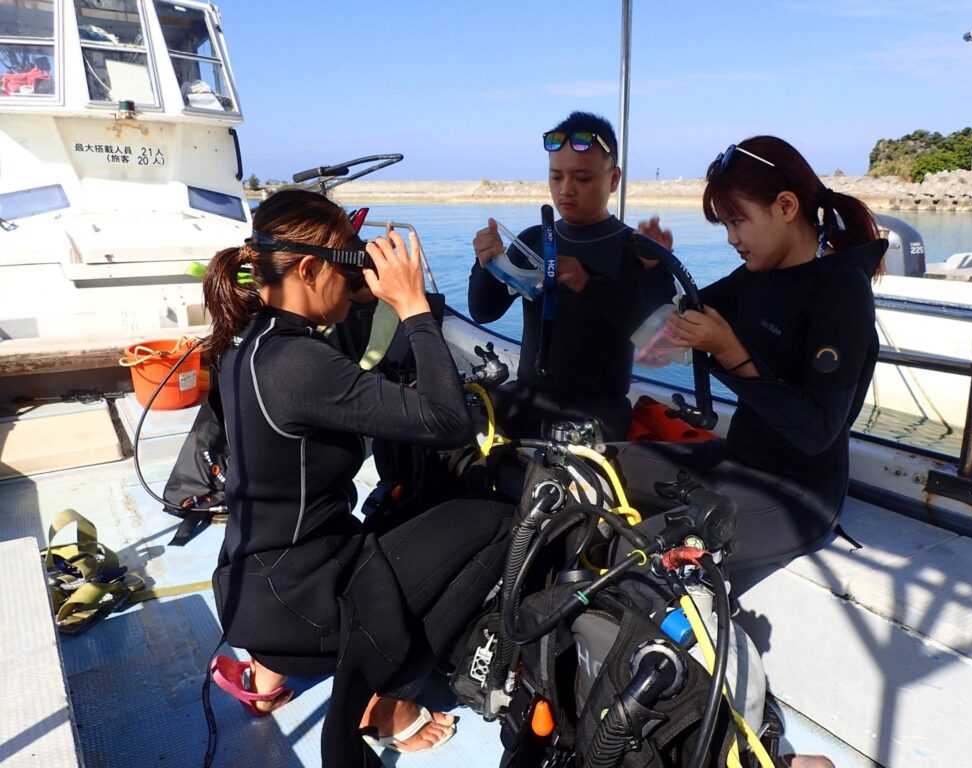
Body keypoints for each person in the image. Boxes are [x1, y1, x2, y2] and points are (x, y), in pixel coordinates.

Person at [202, 189, 512, 766]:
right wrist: (414, 307)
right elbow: (449, 422)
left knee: (382, 517)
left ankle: (267, 676)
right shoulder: (302, 363)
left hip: (249, 587)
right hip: (301, 599)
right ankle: (387, 699)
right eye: (349, 267)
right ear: (311, 269)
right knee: (497, 522)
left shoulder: (245, 345)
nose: (356, 282)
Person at [612, 135, 882, 768]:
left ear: (787, 206)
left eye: (738, 220)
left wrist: (730, 351)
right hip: (739, 466)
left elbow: (817, 429)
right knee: (600, 467)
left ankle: (746, 745)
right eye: (725, 223)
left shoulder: (839, 291)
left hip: (798, 494)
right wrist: (653, 281)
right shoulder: (751, 279)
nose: (731, 236)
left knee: (644, 557)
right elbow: (654, 346)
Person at [468, 111, 674, 442]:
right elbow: (483, 311)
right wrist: (486, 264)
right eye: (556, 176)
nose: (566, 190)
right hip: (527, 396)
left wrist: (588, 285)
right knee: (456, 428)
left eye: (582, 178)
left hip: (598, 410)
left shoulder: (634, 249)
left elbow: (661, 347)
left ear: (614, 179)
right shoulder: (535, 238)